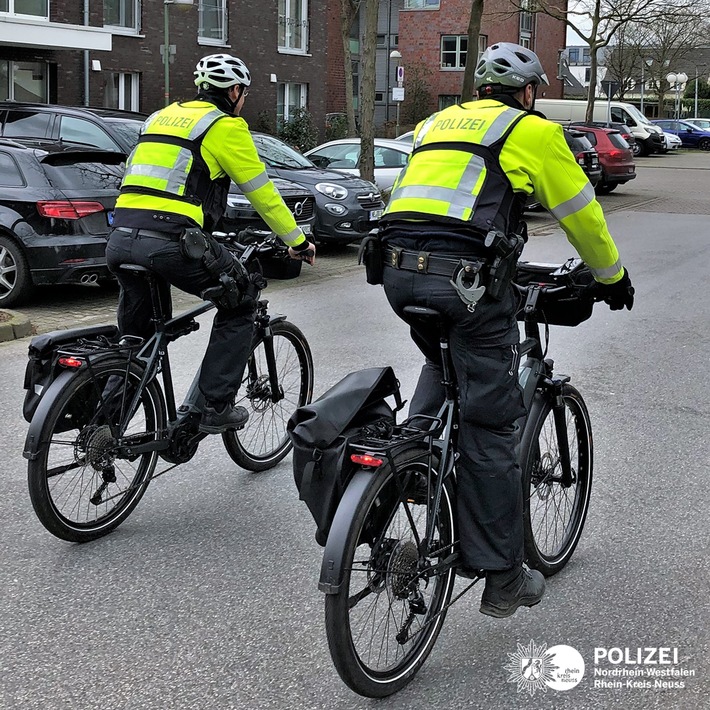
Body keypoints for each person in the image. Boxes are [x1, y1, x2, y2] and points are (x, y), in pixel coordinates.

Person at [377, 42, 634, 618]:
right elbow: (582, 214)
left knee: (442, 364)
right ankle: (502, 577)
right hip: (464, 286)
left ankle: (411, 462)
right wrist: (611, 277)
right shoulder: (532, 131)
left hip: (396, 272)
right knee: (491, 425)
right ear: (527, 92)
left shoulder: (435, 123)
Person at [106, 53, 315, 435]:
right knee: (242, 299)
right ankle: (215, 406)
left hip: (120, 237)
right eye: (244, 94)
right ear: (234, 91)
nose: (244, 100)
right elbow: (262, 193)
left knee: (138, 338)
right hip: (170, 241)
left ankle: (106, 422)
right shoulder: (225, 126)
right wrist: (297, 241)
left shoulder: (160, 117)